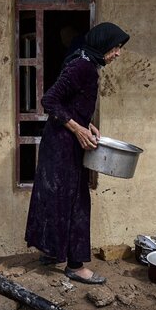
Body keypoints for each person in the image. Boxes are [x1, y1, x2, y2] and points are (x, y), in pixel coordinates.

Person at [25, 22, 130, 285]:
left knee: (56, 197)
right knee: (76, 202)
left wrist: (87, 123)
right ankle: (75, 266)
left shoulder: (84, 62)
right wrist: (76, 128)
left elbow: (71, 103)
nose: (118, 53)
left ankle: (52, 250)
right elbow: (49, 100)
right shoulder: (81, 66)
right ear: (103, 44)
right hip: (62, 145)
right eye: (116, 47)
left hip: (62, 142)